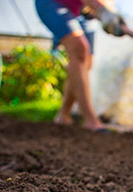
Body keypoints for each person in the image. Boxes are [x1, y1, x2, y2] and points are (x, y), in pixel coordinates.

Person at [35, 0, 125, 131]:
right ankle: (90, 119)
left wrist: (110, 16)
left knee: (86, 62)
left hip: (79, 10)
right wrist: (101, 11)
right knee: (79, 48)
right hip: (52, 3)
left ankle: (63, 115)